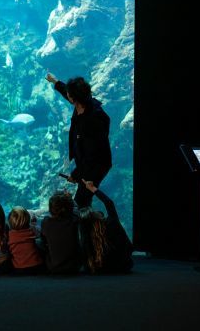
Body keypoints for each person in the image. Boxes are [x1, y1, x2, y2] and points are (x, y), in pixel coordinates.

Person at [45, 73, 112, 208]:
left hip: (95, 166)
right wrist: (56, 82)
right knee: (83, 201)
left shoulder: (91, 122)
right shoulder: (84, 102)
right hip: (89, 161)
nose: (68, 95)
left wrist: (76, 175)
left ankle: (91, 226)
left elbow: (90, 156)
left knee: (81, 202)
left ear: (74, 99)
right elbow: (67, 93)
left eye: (70, 94)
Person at [78, 179, 134, 274]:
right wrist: (93, 189)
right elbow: (109, 203)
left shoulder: (86, 235)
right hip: (122, 267)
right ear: (95, 214)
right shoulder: (111, 222)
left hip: (98, 269)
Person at [41, 191, 81, 274]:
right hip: (75, 267)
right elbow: (76, 210)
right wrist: (70, 199)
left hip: (53, 267)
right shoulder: (74, 220)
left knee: (39, 241)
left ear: (50, 209)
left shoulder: (46, 222)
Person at [7, 206, 45, 274]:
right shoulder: (32, 230)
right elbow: (40, 233)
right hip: (36, 266)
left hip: (18, 268)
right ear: (28, 220)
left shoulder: (9, 234)